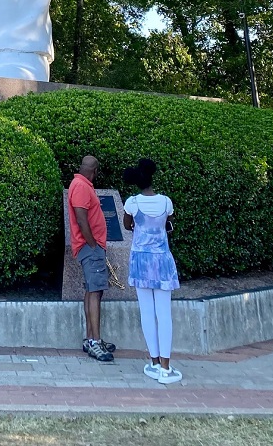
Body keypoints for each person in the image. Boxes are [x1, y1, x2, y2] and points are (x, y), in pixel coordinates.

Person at [122, 158, 182, 384]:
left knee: (147, 313)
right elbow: (169, 221)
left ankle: (154, 361)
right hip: (163, 260)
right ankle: (166, 367)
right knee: (164, 313)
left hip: (140, 261)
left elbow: (128, 225)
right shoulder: (166, 202)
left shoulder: (132, 203)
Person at [68, 154, 116, 362]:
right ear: (95, 171)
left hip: (91, 247)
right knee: (95, 292)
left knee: (92, 290)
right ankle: (95, 342)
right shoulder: (80, 186)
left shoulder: (82, 185)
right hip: (90, 248)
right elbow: (81, 218)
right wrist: (93, 244)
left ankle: (91, 338)